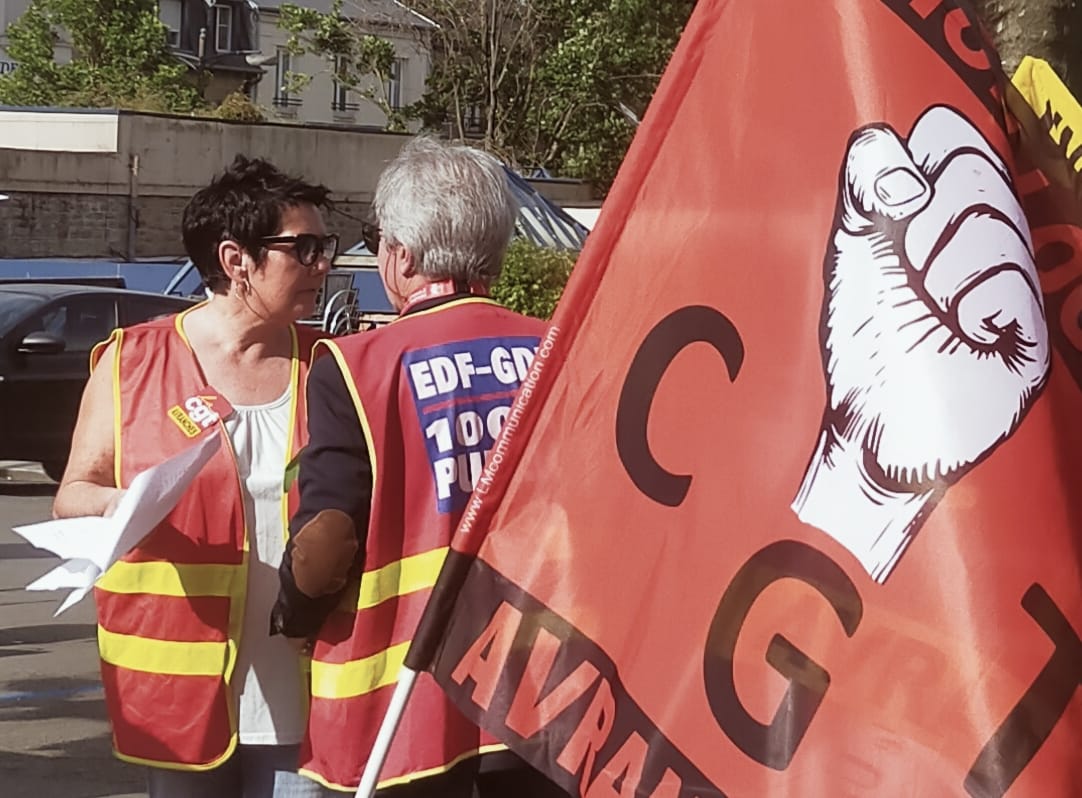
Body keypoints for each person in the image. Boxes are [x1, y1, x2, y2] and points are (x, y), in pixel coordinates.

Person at [271, 137, 566, 797]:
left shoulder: (359, 365)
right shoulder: (560, 349)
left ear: (400, 254)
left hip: (404, 705)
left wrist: (293, 616)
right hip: (543, 692)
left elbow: (327, 542)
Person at [53, 155, 336, 797]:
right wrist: (129, 504)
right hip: (179, 691)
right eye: (305, 248)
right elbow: (72, 493)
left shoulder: (332, 366)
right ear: (236, 259)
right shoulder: (132, 362)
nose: (324, 264)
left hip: (309, 689)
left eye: (327, 247)